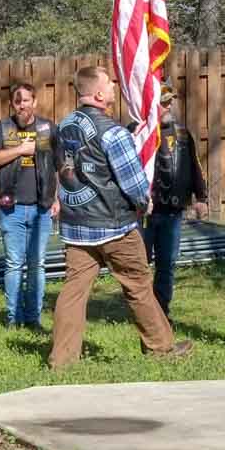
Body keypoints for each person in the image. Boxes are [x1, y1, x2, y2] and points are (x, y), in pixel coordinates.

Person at [48, 66, 191, 368]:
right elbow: (134, 184)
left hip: (76, 228)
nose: (115, 86)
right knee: (138, 286)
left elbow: (61, 171)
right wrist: (143, 203)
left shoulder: (62, 127)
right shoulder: (113, 133)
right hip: (116, 228)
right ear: (99, 94)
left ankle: (61, 360)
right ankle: (160, 349)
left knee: (73, 292)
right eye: (110, 83)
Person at [0, 83, 56, 328]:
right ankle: (14, 319)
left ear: (34, 102)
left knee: (37, 265)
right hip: (11, 208)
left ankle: (34, 318)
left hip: (41, 208)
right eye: (17, 101)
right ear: (12, 104)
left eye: (26, 100)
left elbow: (58, 164)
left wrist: (57, 197)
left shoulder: (47, 128)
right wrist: (20, 150)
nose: (22, 105)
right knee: (14, 265)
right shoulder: (4, 128)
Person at [142, 89, 209, 316]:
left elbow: (195, 166)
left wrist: (201, 198)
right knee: (140, 265)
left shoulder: (182, 134)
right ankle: (142, 310)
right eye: (164, 103)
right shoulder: (140, 133)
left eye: (170, 102)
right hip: (145, 213)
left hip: (172, 212)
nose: (169, 106)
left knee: (167, 264)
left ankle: (161, 310)